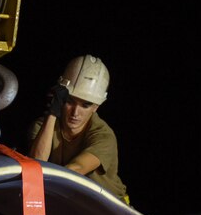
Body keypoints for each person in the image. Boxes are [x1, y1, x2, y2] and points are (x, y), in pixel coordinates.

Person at [27, 54, 129, 204]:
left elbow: (76, 169)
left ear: (96, 107)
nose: (75, 113)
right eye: (70, 101)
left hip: (111, 207)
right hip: (70, 201)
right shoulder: (42, 127)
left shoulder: (103, 136)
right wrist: (52, 114)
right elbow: (36, 165)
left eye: (85, 105)